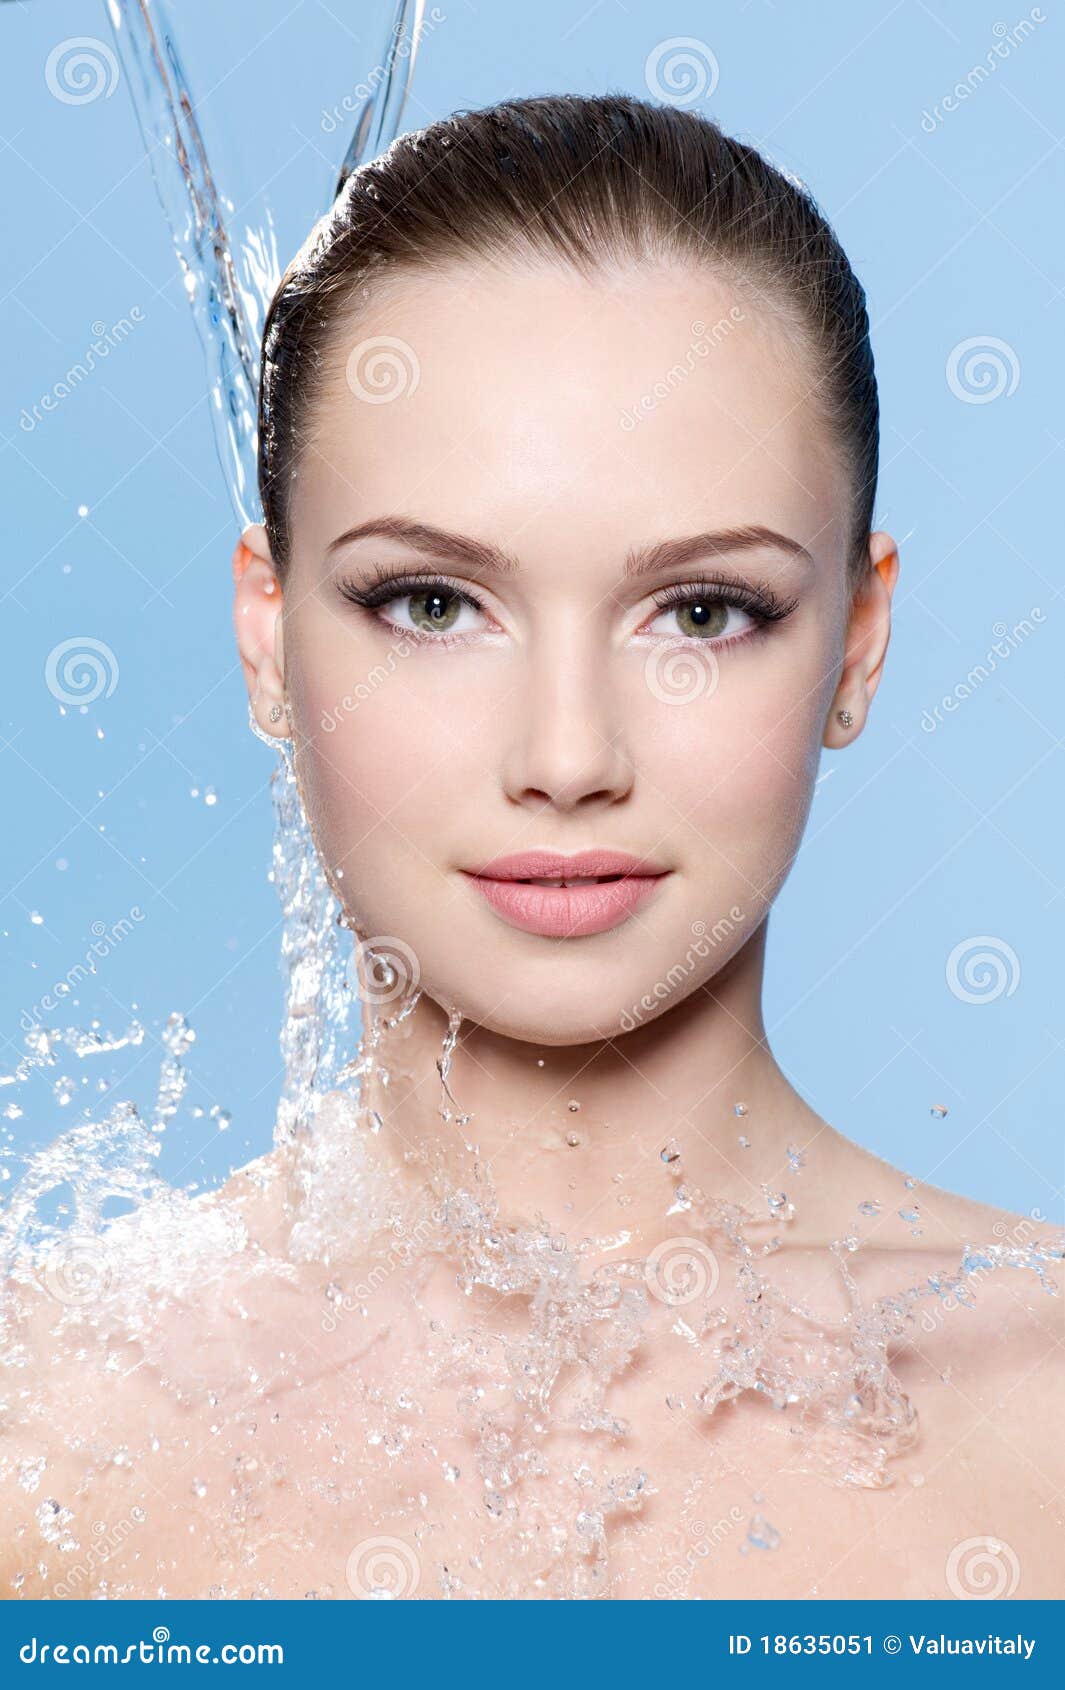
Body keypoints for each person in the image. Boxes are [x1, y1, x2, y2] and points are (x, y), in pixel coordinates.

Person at [1, 93, 1061, 1602]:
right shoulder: (39, 1424)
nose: (567, 757)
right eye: (431, 603)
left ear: (856, 642)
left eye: (703, 611)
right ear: (266, 634)